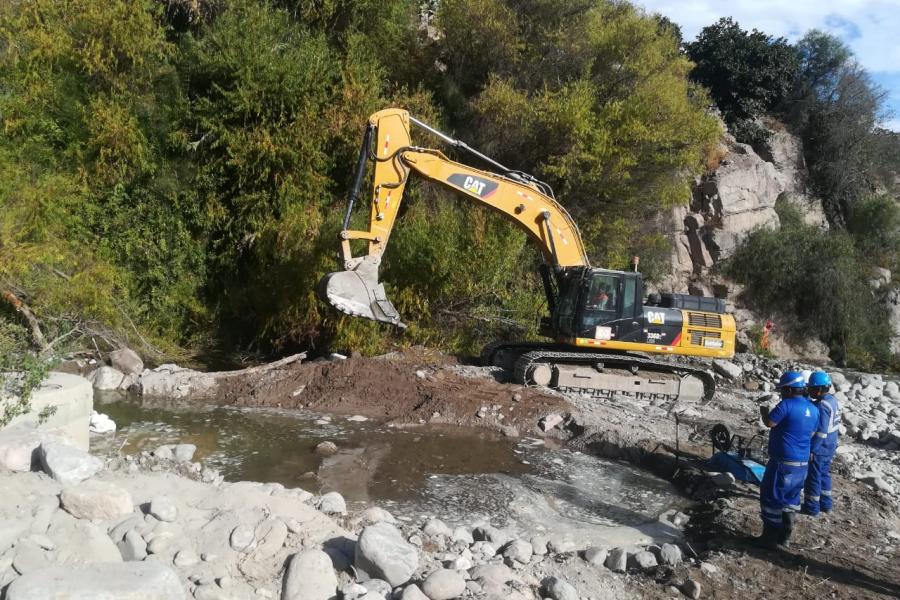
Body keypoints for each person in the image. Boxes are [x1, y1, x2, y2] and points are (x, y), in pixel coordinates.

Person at [756, 370, 819, 549]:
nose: (781, 393)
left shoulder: (786, 405)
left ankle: (768, 540)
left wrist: (764, 413)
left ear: (790, 390)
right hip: (802, 464)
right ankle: (785, 537)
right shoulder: (813, 409)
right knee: (791, 499)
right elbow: (813, 433)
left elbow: (770, 423)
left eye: (783, 390)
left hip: (782, 462)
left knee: (771, 498)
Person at [803, 371, 840, 515]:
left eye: (811, 389)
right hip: (830, 445)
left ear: (818, 390)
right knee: (824, 475)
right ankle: (826, 504)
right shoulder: (833, 400)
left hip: (821, 447)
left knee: (813, 477)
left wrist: (812, 449)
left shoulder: (822, 405)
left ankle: (812, 508)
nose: (809, 391)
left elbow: (821, 432)